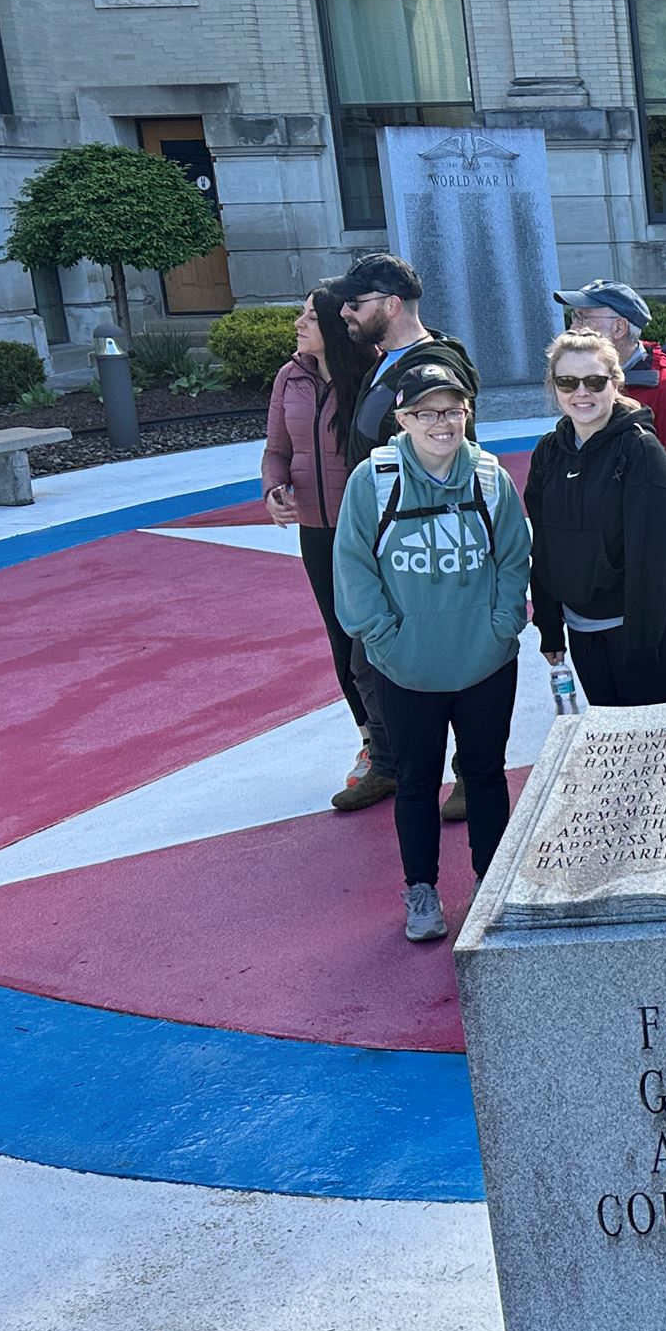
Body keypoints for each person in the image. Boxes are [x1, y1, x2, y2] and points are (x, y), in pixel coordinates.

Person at [331, 351, 531, 945]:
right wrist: (383, 637)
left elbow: (513, 559)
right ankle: (421, 890)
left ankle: (488, 885)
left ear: (466, 413)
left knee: (485, 774)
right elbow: (353, 566)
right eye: (426, 412)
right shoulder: (375, 481)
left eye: (452, 410)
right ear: (403, 420)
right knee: (417, 781)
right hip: (407, 665)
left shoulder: (491, 479)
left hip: (484, 662)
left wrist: (502, 627)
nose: (441, 423)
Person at [263, 281, 400, 812]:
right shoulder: (288, 376)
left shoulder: (371, 377)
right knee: (342, 640)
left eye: (309, 317)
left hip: (367, 531)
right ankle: (372, 746)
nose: (299, 324)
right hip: (317, 532)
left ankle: (410, 741)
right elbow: (277, 448)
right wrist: (275, 489)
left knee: (380, 638)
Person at [525, 329, 666, 709]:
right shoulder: (549, 453)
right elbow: (544, 546)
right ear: (553, 386)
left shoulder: (642, 453)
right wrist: (550, 630)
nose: (581, 392)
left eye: (595, 381)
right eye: (568, 382)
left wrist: (641, 650)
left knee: (653, 758)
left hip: (647, 637)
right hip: (585, 632)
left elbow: (658, 563)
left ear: (616, 383)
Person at [551, 279, 666, 478]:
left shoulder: (665, 388)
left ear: (619, 328)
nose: (573, 327)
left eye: (583, 318)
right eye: (574, 317)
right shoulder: (580, 377)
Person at [340, 251, 476, 462]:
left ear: (391, 305)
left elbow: (454, 468)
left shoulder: (434, 372)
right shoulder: (388, 362)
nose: (344, 312)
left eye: (353, 302)